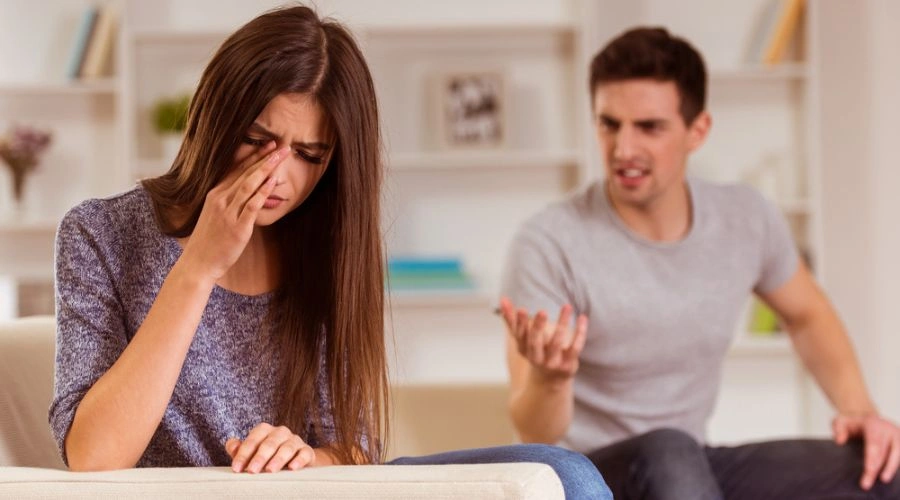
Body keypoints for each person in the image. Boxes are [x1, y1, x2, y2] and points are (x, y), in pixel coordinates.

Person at [49, 6, 611, 499]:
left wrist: (304, 457)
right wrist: (199, 266)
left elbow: (358, 450)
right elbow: (94, 455)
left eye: (308, 154)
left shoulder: (324, 245)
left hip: (313, 493)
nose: (276, 173)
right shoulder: (101, 233)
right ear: (215, 118)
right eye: (257, 139)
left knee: (564, 474)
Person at [499, 26, 900, 499]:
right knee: (669, 450)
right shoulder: (548, 242)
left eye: (649, 127)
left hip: (686, 468)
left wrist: (859, 409)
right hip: (585, 477)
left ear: (698, 130)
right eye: (609, 124)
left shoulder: (745, 218)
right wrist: (550, 378)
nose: (623, 149)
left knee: (880, 468)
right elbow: (536, 433)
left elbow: (807, 314)